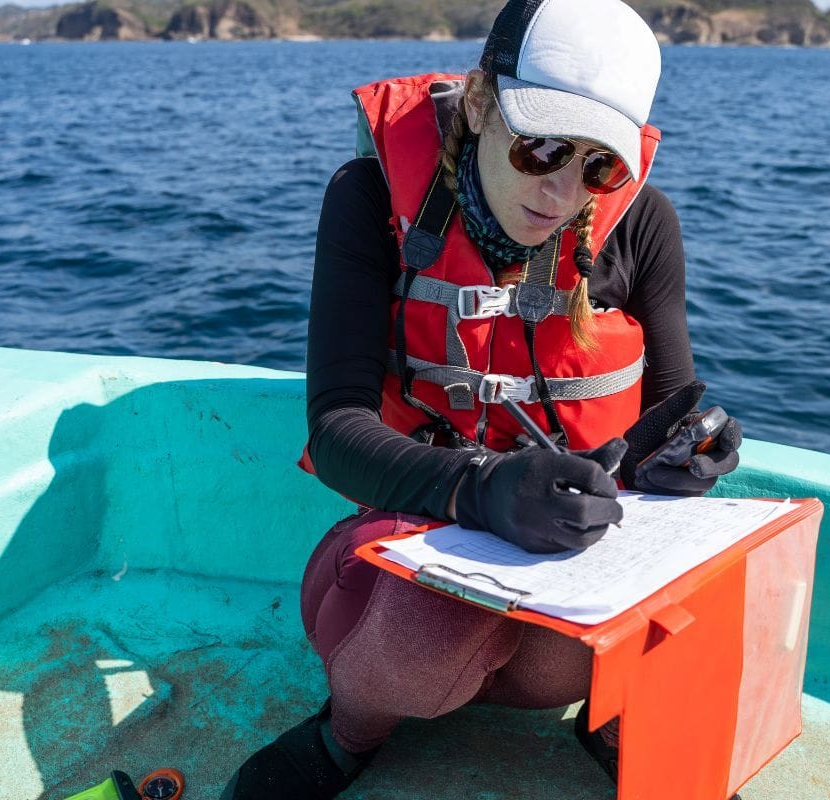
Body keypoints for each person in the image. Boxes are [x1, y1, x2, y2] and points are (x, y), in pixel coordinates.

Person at [222, 0, 742, 796]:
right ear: (477, 103)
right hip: (392, 572)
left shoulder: (645, 229)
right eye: (542, 148)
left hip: (558, 600)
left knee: (693, 602)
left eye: (600, 165)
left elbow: (669, 407)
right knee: (436, 628)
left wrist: (686, 456)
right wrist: (478, 489)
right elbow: (334, 428)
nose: (565, 191)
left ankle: (608, 718)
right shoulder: (367, 198)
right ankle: (348, 734)